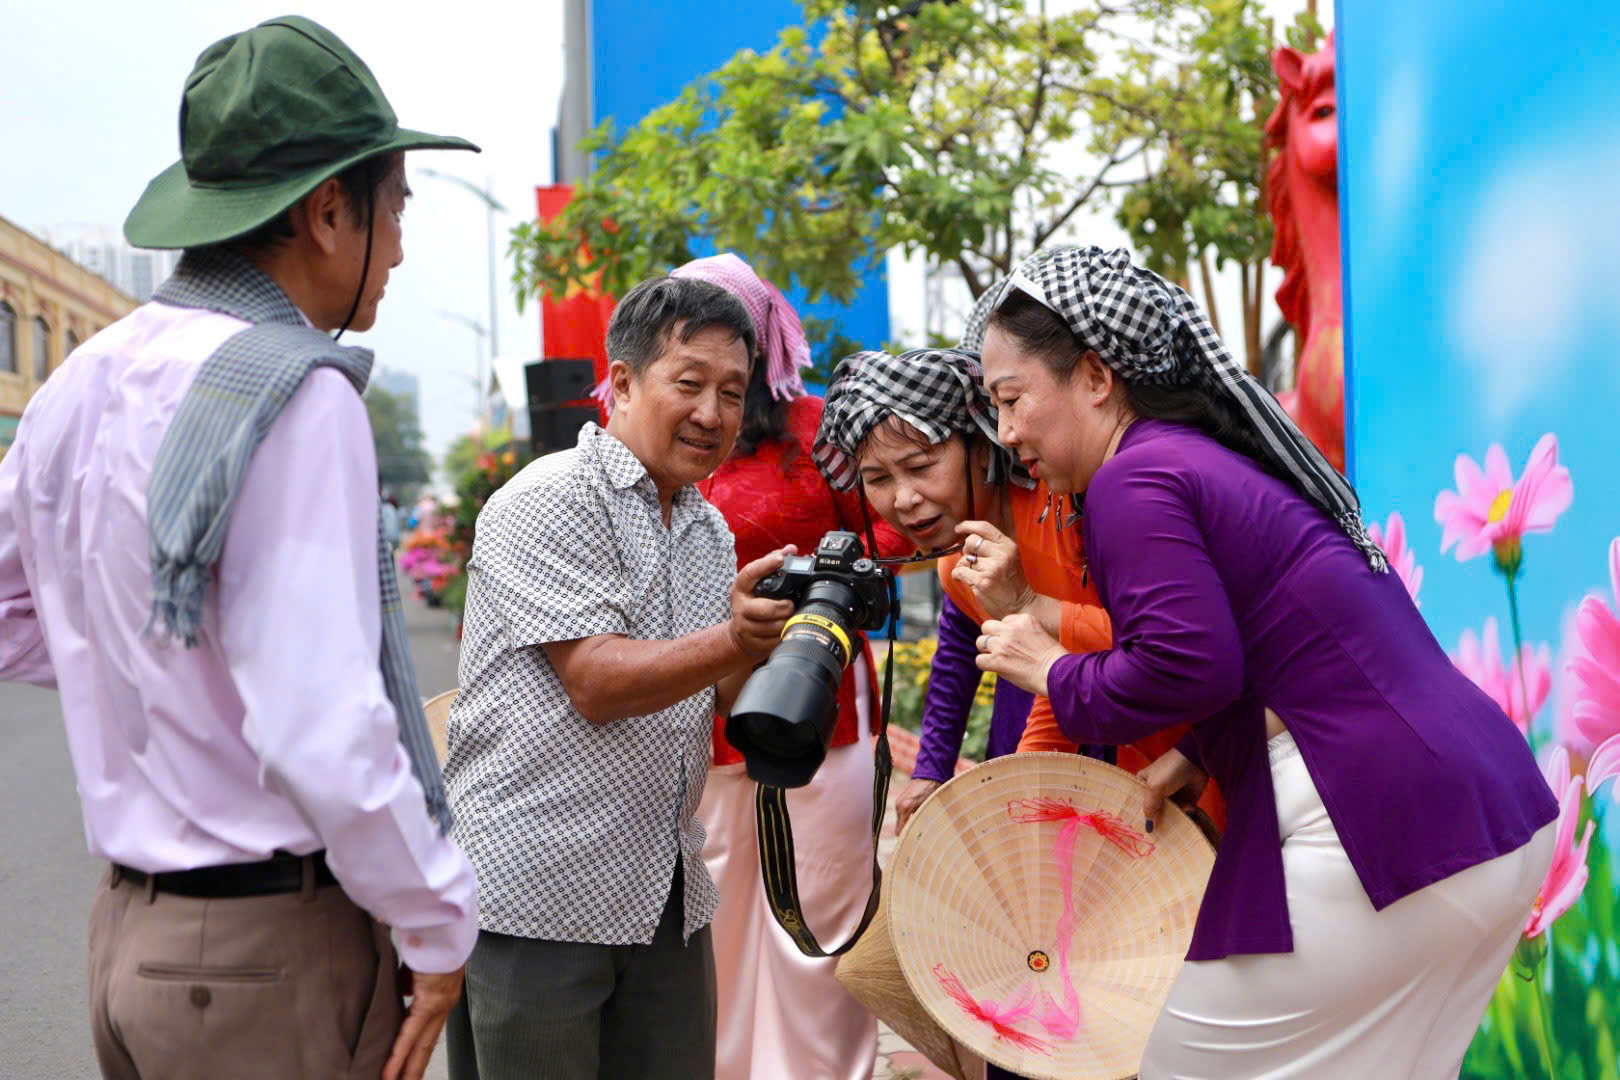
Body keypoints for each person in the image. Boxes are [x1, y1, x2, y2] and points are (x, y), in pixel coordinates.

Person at [0, 17, 481, 1080]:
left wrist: (155, 671)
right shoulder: (298, 395)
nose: (397, 248)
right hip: (270, 957)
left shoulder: (79, 379)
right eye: (394, 210)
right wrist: (438, 921)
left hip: (132, 944)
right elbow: (324, 729)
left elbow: (14, 618)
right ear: (326, 212)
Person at [971, 245, 1559, 1077]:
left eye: (1012, 398)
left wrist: (1047, 665)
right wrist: (1196, 754)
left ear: (1096, 377)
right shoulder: (1192, 463)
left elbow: (1188, 667)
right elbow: (1274, 646)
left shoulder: (1133, 481)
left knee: (1164, 1054)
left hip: (1394, 827)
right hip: (1486, 817)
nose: (1005, 433)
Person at [442, 274, 796, 1080]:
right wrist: (734, 637)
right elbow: (596, 681)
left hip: (663, 896)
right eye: (690, 384)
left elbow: (725, 699)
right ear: (625, 382)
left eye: (733, 392)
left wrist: (792, 644)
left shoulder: (708, 530)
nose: (713, 414)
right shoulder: (548, 498)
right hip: (537, 896)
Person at [645, 254, 905, 1080]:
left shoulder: (823, 430)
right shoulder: (655, 441)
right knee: (708, 927)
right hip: (693, 705)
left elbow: (892, 536)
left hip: (822, 706)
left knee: (820, 927)